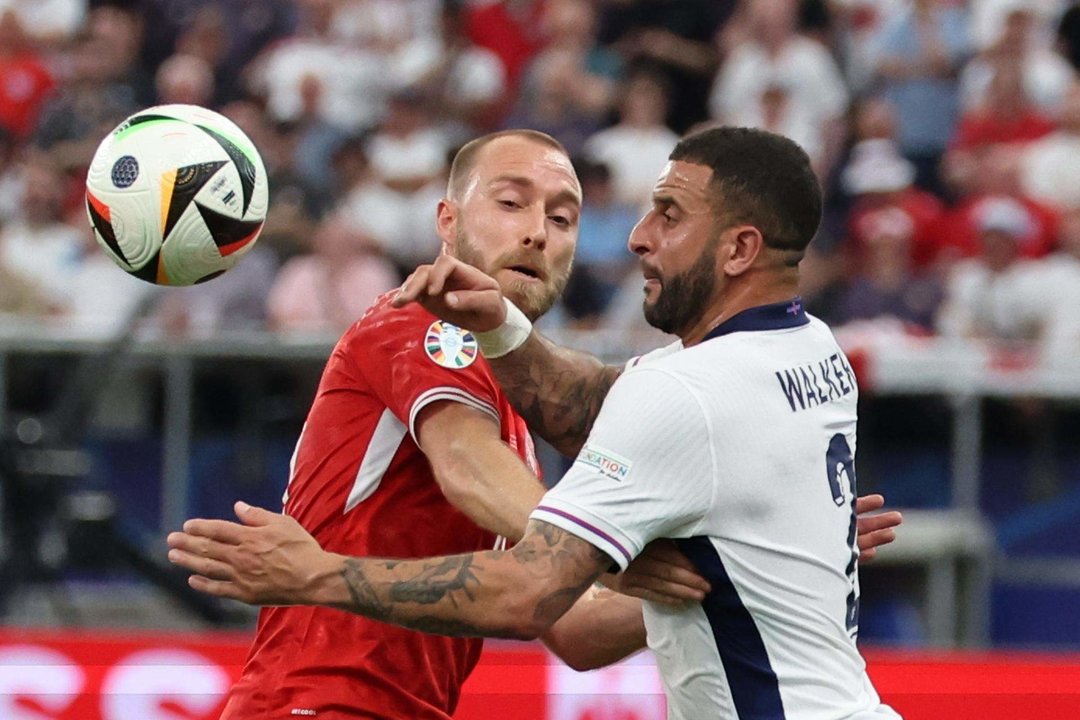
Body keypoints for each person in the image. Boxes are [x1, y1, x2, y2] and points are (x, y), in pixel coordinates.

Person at [169, 126, 903, 719]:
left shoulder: (521, 405)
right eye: (512, 204)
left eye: (562, 217)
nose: (537, 233)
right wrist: (610, 554)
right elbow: (465, 467)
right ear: (447, 222)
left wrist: (745, 571)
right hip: (318, 702)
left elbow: (576, 630)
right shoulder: (419, 325)